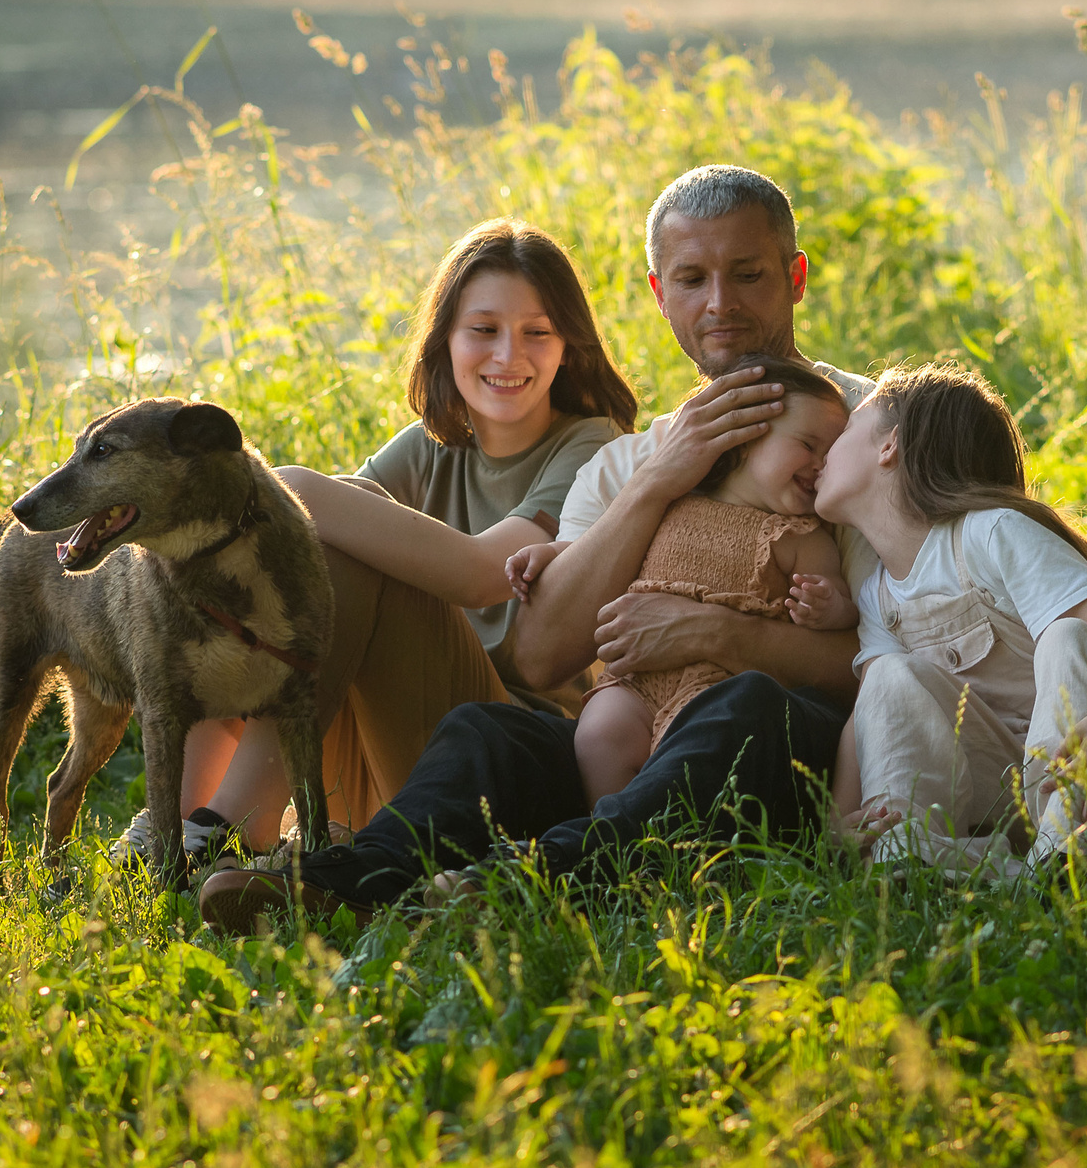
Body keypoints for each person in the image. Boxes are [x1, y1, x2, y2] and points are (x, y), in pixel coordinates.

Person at [197, 164, 875, 927]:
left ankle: (538, 877)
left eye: (747, 274)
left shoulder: (866, 431)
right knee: (492, 730)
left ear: (795, 277)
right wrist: (656, 483)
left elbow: (905, 659)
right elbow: (542, 656)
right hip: (631, 747)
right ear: (660, 294)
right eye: (692, 278)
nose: (719, 303)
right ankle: (348, 882)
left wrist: (722, 632)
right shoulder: (624, 462)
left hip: (788, 752)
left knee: (744, 704)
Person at [111, 218, 637, 875]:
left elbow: (483, 575)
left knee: (322, 552)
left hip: (496, 758)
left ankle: (233, 829)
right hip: (379, 758)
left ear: (570, 348)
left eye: (537, 332)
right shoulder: (429, 448)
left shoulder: (591, 446)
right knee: (279, 566)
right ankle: (181, 825)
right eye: (483, 330)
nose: (508, 355)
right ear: (444, 339)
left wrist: (293, 487)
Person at [814, 363, 1087, 869]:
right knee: (886, 676)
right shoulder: (877, 592)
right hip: (1024, 780)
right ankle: (910, 852)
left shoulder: (990, 533)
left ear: (888, 446)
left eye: (846, 429)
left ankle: (1073, 855)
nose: (825, 451)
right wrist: (836, 819)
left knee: (1070, 636)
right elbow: (868, 713)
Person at [510, 355, 854, 801]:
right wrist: (547, 554)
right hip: (636, 679)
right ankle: (609, 832)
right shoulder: (674, 500)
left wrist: (832, 607)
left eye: (831, 457)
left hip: (718, 688)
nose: (820, 467)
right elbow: (599, 551)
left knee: (694, 749)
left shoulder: (800, 537)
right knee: (598, 736)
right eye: (809, 446)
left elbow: (843, 610)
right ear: (747, 437)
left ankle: (635, 841)